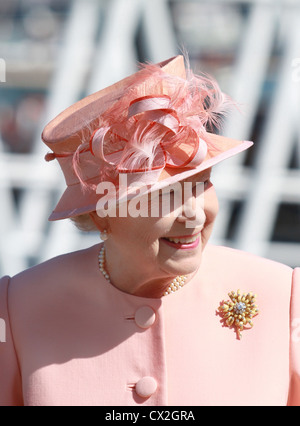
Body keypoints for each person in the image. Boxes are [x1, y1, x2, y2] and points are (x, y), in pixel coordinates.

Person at [0, 55, 299, 407]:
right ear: (101, 216)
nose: (193, 214)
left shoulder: (282, 295)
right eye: (164, 196)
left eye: (201, 184)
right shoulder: (18, 306)